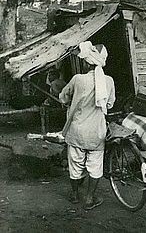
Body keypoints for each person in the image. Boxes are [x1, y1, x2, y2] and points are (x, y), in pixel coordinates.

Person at [59, 41, 115, 210]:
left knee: (75, 165)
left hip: (77, 131)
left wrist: (68, 101)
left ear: (86, 62)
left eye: (83, 60)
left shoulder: (78, 79)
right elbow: (110, 104)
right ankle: (90, 198)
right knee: (95, 167)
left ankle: (75, 195)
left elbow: (63, 97)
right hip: (96, 132)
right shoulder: (109, 81)